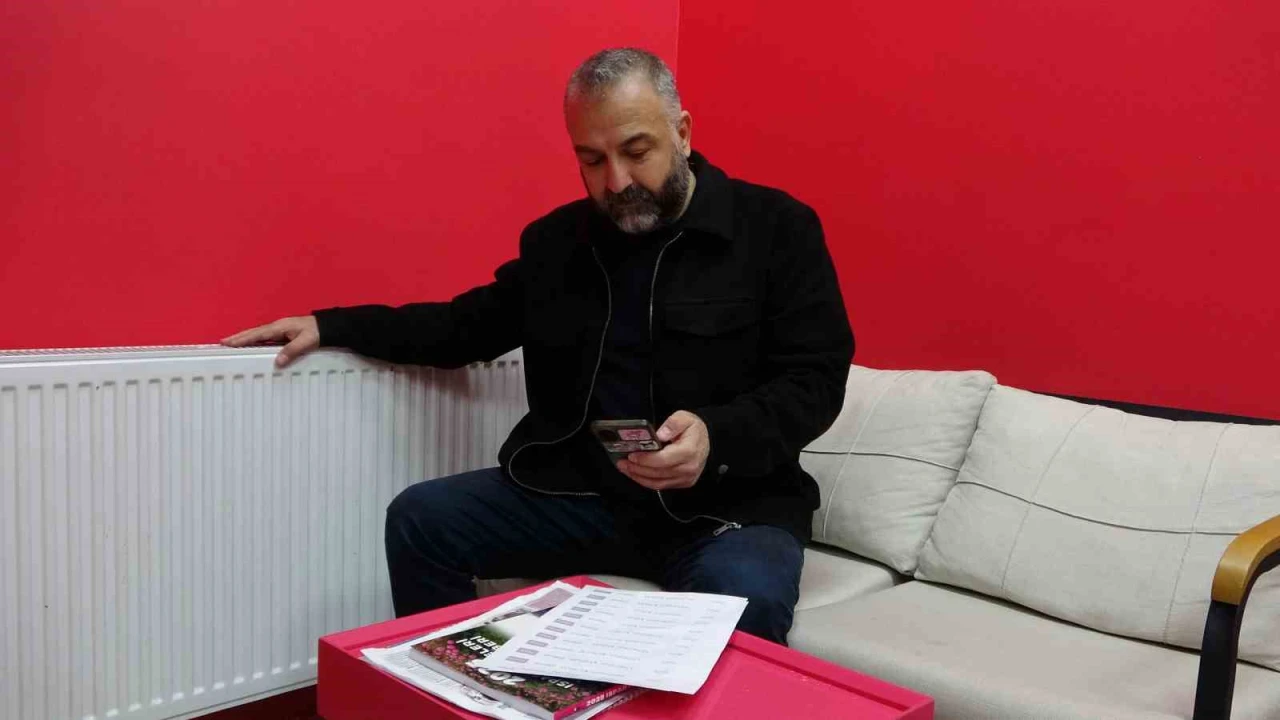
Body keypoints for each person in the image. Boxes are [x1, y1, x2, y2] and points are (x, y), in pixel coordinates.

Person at [222, 48, 853, 644]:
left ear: (682, 132)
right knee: (421, 518)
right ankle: (454, 695)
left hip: (727, 510)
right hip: (585, 498)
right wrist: (331, 325)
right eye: (592, 160)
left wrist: (717, 436)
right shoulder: (557, 244)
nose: (617, 182)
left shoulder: (777, 229)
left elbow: (816, 380)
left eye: (637, 151)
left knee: (746, 598)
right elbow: (460, 326)